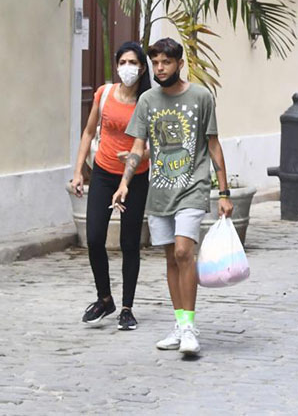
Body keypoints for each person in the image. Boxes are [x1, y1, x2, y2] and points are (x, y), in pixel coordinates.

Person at [112, 37, 233, 356]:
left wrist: (223, 192)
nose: (160, 68)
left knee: (183, 253)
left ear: (179, 64)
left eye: (166, 62)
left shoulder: (200, 97)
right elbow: (138, 147)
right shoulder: (148, 100)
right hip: (160, 190)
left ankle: (190, 327)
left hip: (192, 187)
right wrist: (125, 182)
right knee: (169, 258)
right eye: (155, 63)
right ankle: (179, 324)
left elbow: (213, 144)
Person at [71, 41, 152, 330]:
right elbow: (89, 131)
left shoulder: (148, 101)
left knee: (130, 243)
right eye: (123, 62)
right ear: (117, 65)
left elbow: (154, 146)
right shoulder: (104, 94)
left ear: (142, 67)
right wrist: (79, 170)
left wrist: (136, 155)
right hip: (105, 173)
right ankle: (105, 298)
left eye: (133, 63)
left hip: (135, 178)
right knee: (94, 237)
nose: (127, 68)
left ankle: (127, 308)